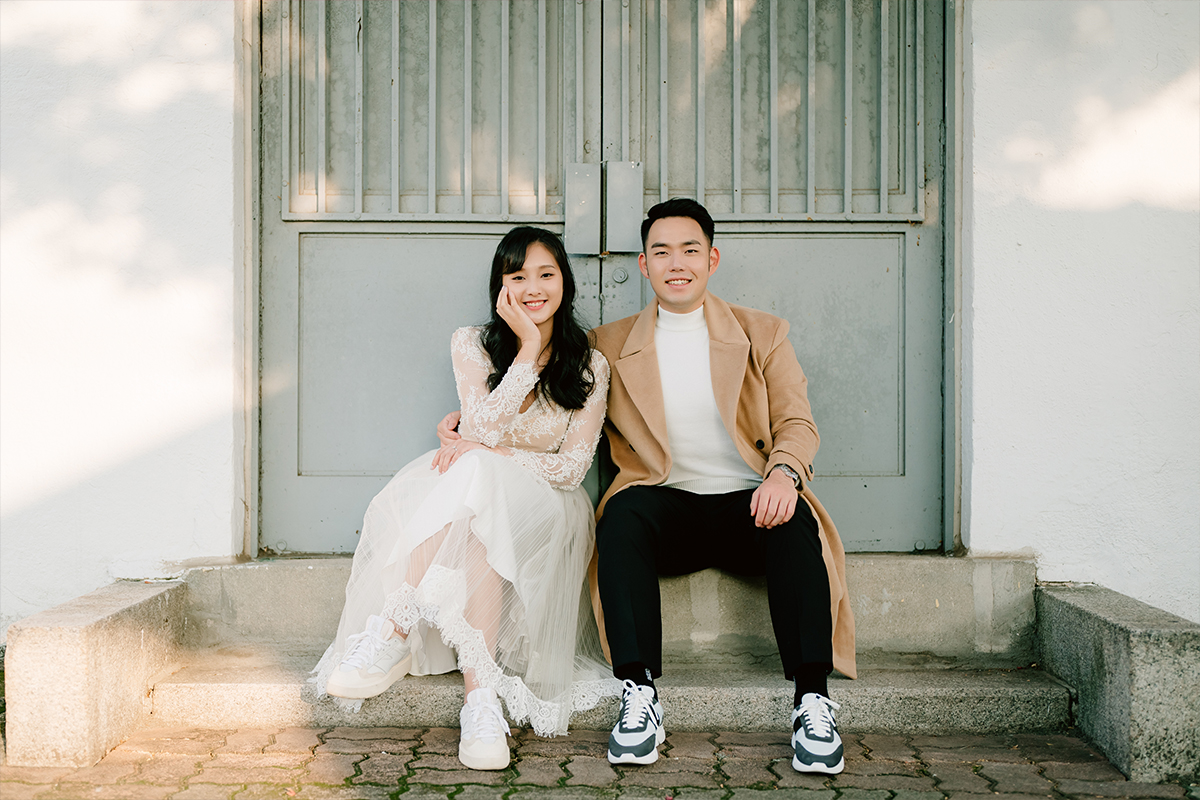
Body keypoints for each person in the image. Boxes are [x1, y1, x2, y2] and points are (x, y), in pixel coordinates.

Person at [440, 199, 856, 774]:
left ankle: (813, 699)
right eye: (661, 251)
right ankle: (639, 696)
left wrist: (784, 472)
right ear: (643, 264)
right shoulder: (605, 346)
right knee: (622, 516)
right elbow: (545, 404)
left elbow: (797, 422)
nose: (676, 262)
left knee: (797, 520)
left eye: (690, 249)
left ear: (712, 258)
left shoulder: (764, 333)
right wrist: (464, 426)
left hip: (750, 501)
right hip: (664, 504)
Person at [312, 226, 622, 772]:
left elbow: (571, 469)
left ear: (565, 282)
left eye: (546, 274)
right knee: (477, 495)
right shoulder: (472, 343)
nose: (533, 287)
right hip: (476, 500)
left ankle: (393, 629)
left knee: (477, 468)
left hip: (549, 509)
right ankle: (480, 699)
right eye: (517, 275)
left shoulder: (591, 365)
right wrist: (525, 348)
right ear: (500, 287)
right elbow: (478, 423)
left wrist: (489, 453)